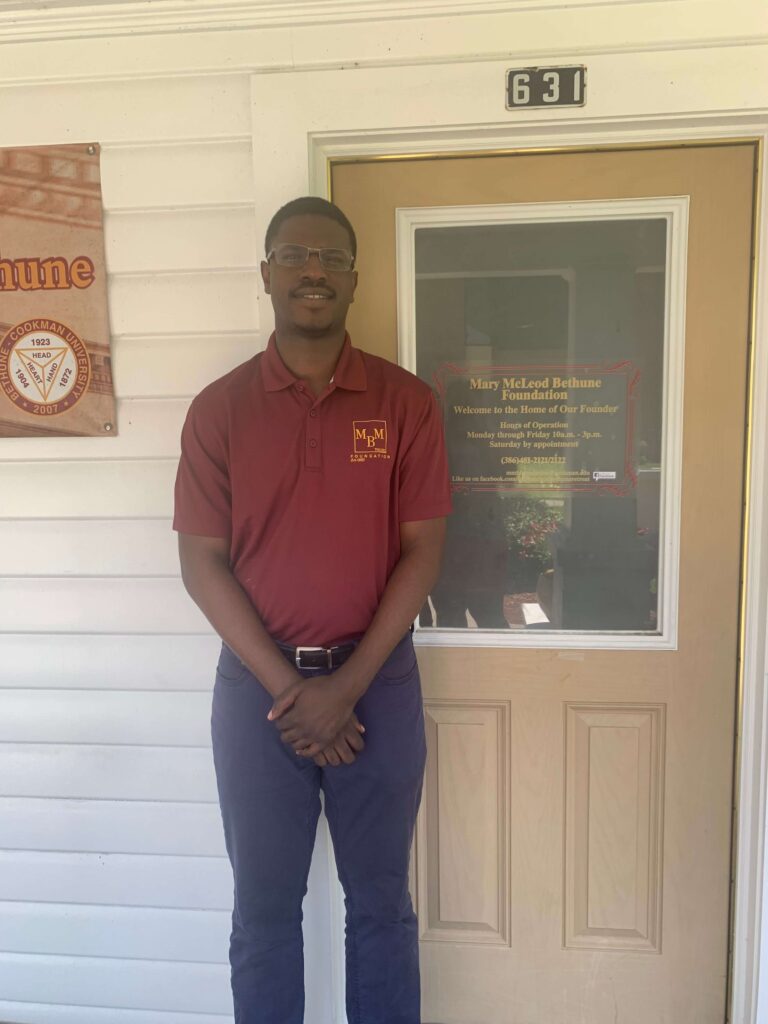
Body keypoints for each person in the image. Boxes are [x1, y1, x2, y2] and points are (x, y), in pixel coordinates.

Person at [173, 196, 451, 1024]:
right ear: (266, 275)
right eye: (293, 255)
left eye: (329, 257)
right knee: (262, 915)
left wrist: (345, 687)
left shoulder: (405, 403)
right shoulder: (219, 410)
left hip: (378, 691)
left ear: (354, 279)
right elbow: (201, 564)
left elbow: (424, 551)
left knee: (380, 908)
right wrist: (293, 694)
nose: (313, 270)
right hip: (258, 697)